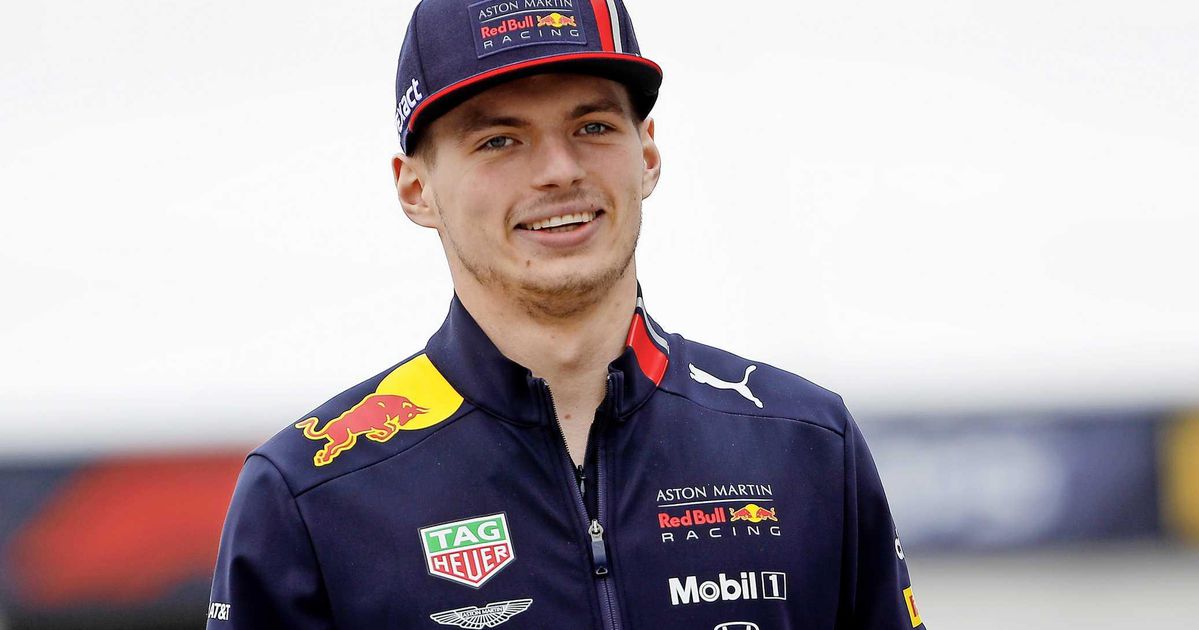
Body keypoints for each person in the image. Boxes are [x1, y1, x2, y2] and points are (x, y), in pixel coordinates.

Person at [206, 1, 925, 628]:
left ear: (648, 153)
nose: (558, 170)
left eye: (593, 126)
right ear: (415, 188)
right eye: (499, 140)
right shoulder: (309, 492)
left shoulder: (805, 443)